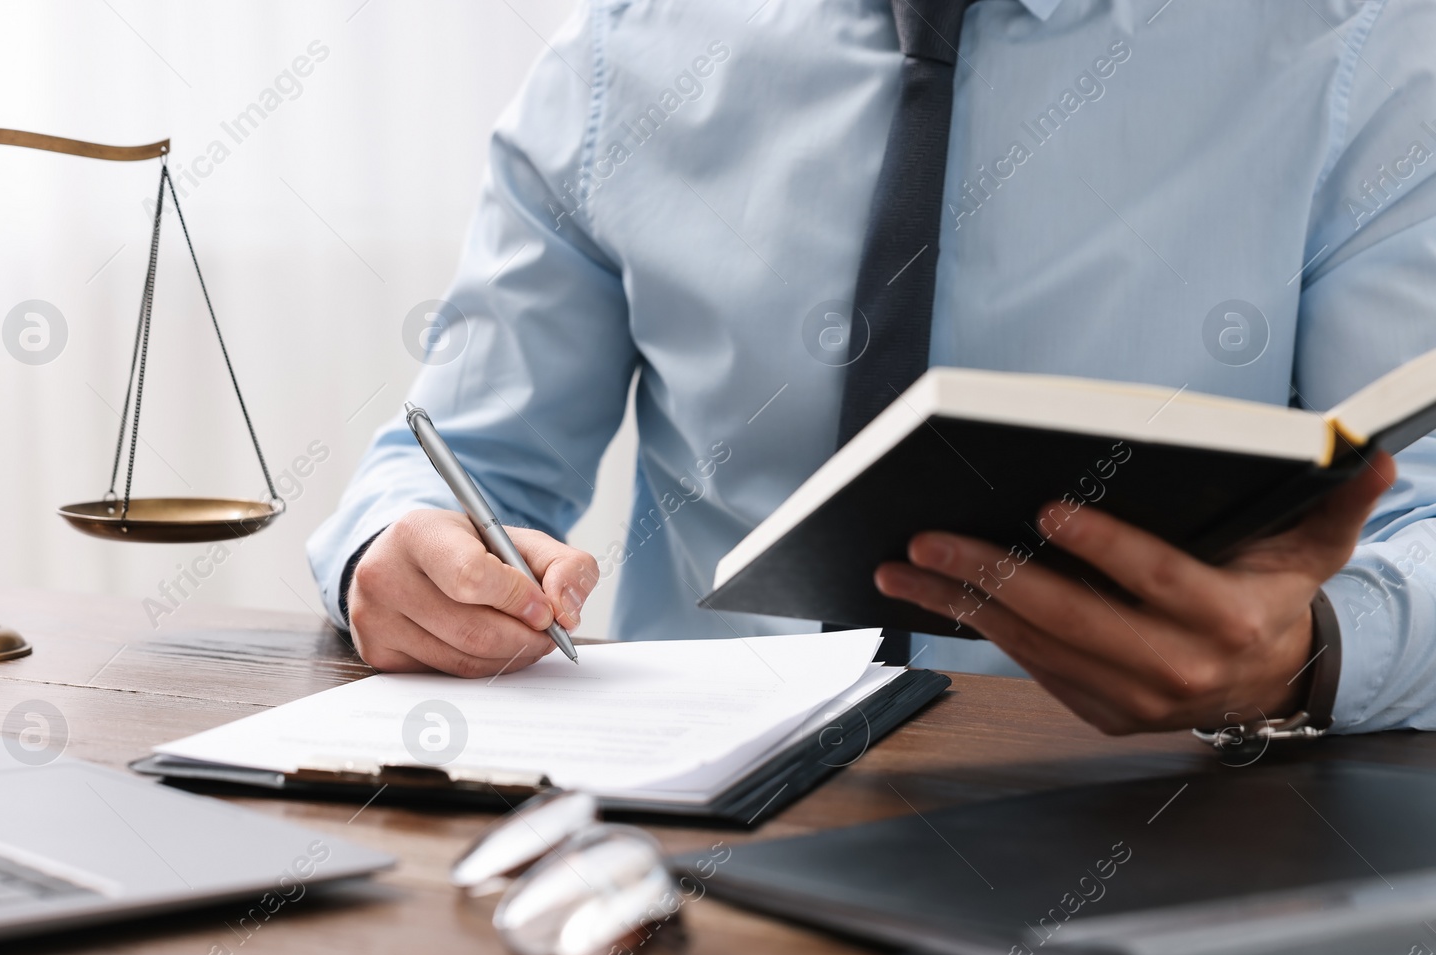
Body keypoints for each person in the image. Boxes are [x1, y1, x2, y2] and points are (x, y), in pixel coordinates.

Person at [310, 0, 1436, 736]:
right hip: (681, 842)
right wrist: (394, 555)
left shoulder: (1360, 56)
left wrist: (1307, 655)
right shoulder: (620, 57)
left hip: (1154, 828)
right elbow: (464, 465)